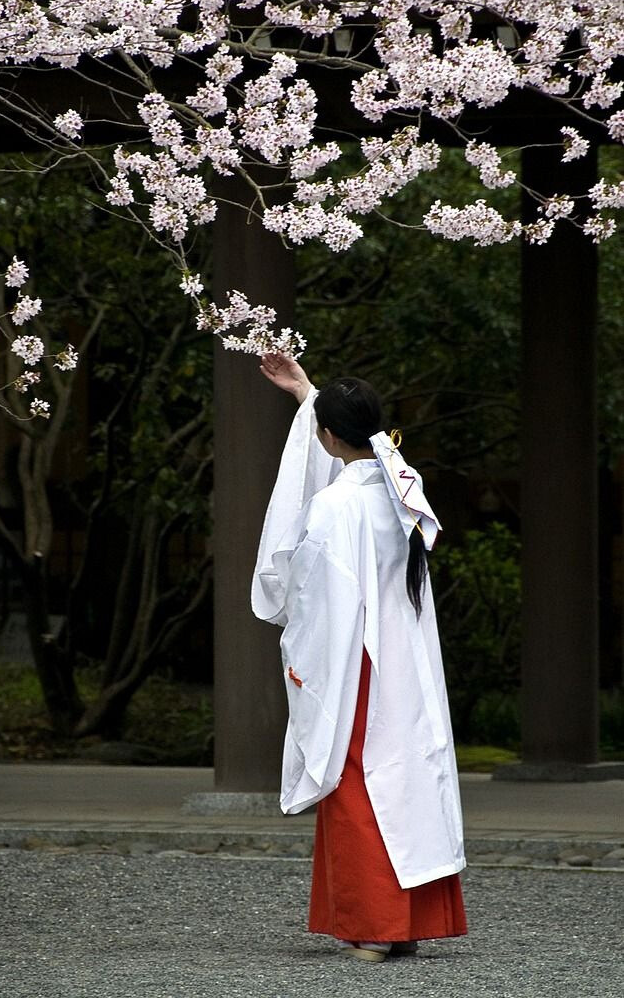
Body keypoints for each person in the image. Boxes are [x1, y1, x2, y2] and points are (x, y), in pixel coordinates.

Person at [251, 354, 467, 963]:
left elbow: (314, 595)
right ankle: (405, 923)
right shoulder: (403, 484)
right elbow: (354, 455)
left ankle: (374, 924)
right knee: (407, 780)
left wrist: (299, 653)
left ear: (328, 437)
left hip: (358, 659)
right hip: (403, 655)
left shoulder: (334, 509)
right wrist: (307, 395)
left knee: (356, 782)